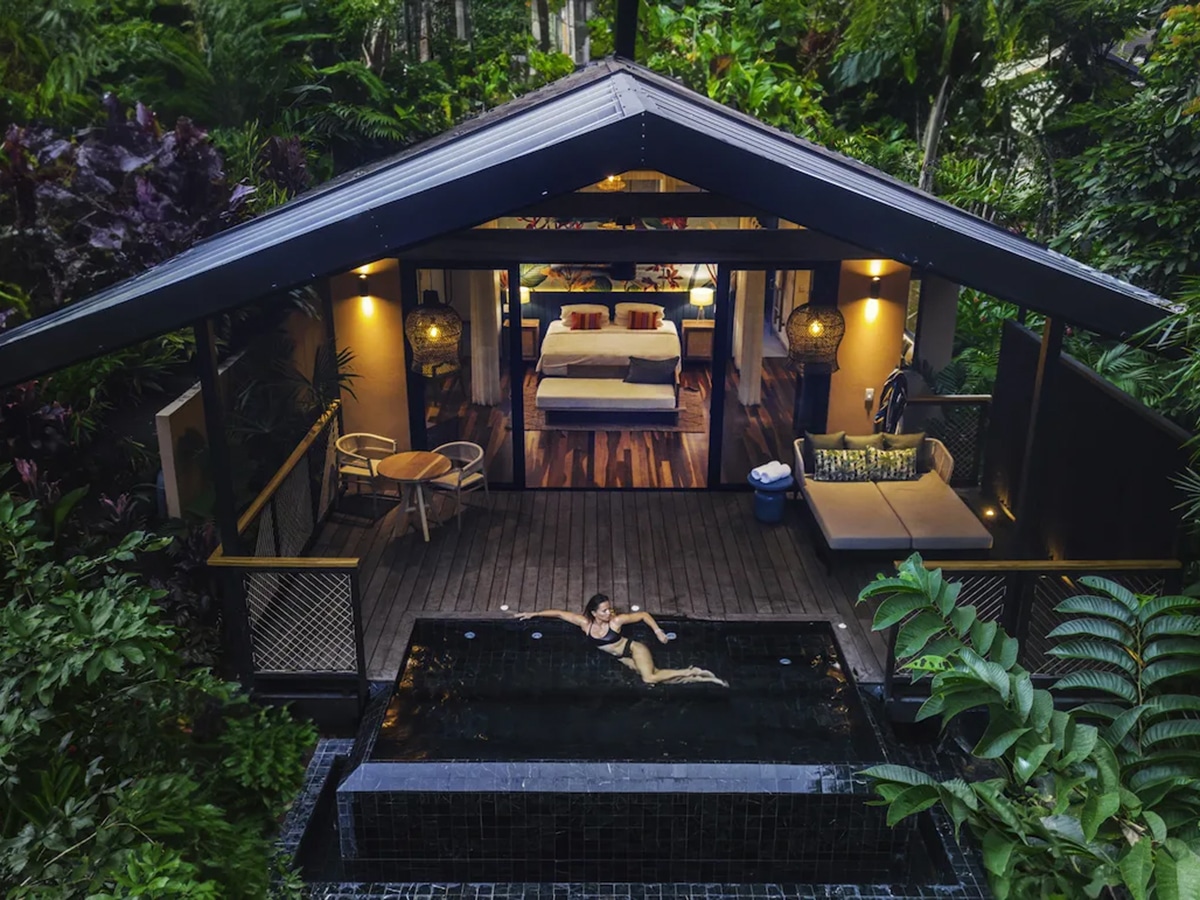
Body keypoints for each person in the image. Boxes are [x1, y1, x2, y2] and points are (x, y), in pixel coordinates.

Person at [515, 593, 728, 687]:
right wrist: (534, 613)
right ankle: (697, 677)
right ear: (594, 612)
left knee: (649, 679)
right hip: (622, 658)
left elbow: (643, 615)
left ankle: (692, 671)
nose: (610, 611)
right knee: (656, 679)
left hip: (634, 650)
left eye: (609, 608)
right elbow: (560, 614)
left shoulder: (616, 622)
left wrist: (658, 632)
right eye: (605, 610)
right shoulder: (584, 624)